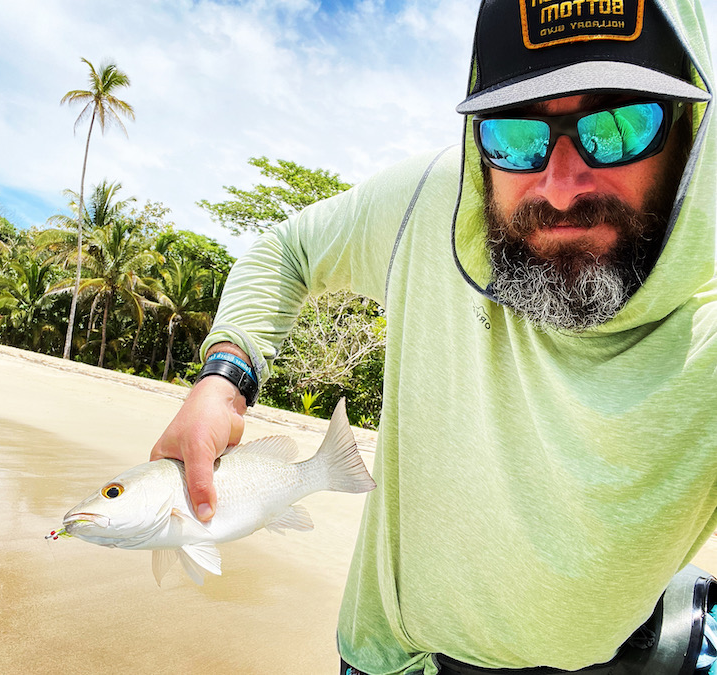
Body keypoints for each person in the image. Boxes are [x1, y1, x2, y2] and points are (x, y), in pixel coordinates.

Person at [150, 0, 717, 672]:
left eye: (619, 126)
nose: (562, 187)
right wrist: (223, 378)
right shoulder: (434, 204)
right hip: (391, 656)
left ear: (689, 127)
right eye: (514, 135)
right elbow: (286, 250)